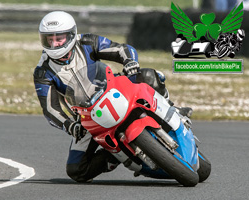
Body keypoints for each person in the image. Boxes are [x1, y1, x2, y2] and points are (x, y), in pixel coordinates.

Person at [33, 11, 177, 183]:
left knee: (148, 75)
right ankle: (114, 155)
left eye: (59, 38)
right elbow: (50, 108)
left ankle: (171, 108)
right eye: (50, 39)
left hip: (112, 88)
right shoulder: (43, 71)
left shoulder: (87, 42)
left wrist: (130, 62)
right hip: (87, 116)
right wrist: (70, 125)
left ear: (71, 35)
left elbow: (121, 49)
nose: (55, 44)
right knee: (76, 170)